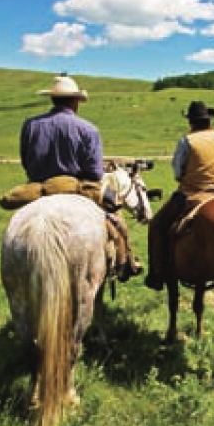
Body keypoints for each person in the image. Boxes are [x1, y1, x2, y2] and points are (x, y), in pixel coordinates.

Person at [21, 75, 137, 280]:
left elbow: (26, 161)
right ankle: (125, 261)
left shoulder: (30, 125)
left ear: (52, 99)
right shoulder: (88, 129)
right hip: (78, 187)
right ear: (75, 101)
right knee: (117, 216)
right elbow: (94, 173)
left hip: (39, 188)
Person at [145, 100, 214, 291]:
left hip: (192, 194)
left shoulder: (187, 141)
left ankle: (157, 274)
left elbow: (177, 172)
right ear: (210, 121)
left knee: (157, 225)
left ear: (191, 122)